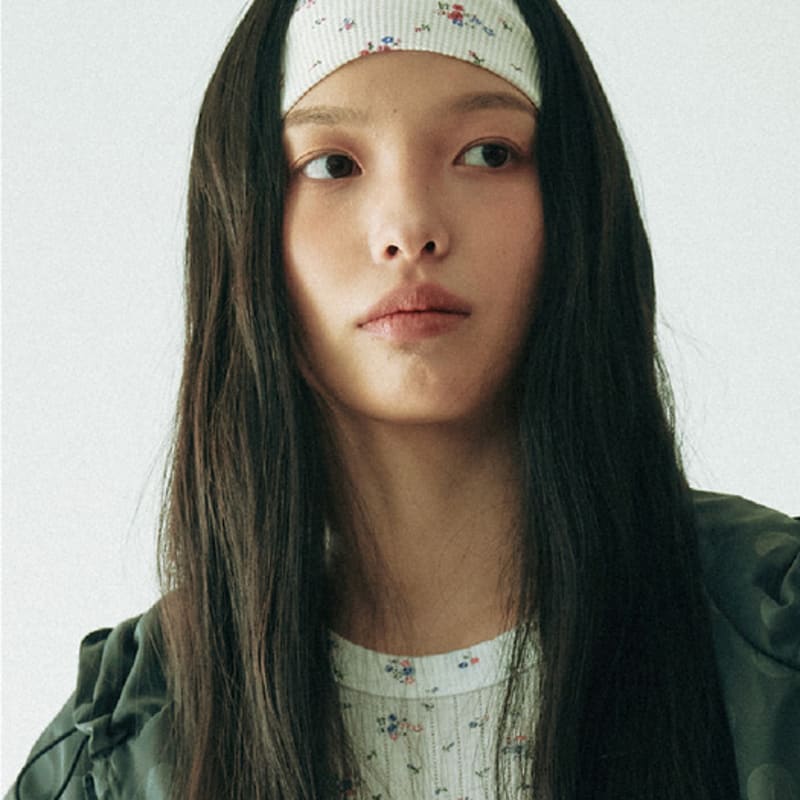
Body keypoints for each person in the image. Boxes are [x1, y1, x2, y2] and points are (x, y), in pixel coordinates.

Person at [8, 1, 799, 798]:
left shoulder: (773, 647)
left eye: (488, 154)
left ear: (575, 203)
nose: (410, 227)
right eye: (332, 165)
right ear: (244, 228)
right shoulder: (123, 752)